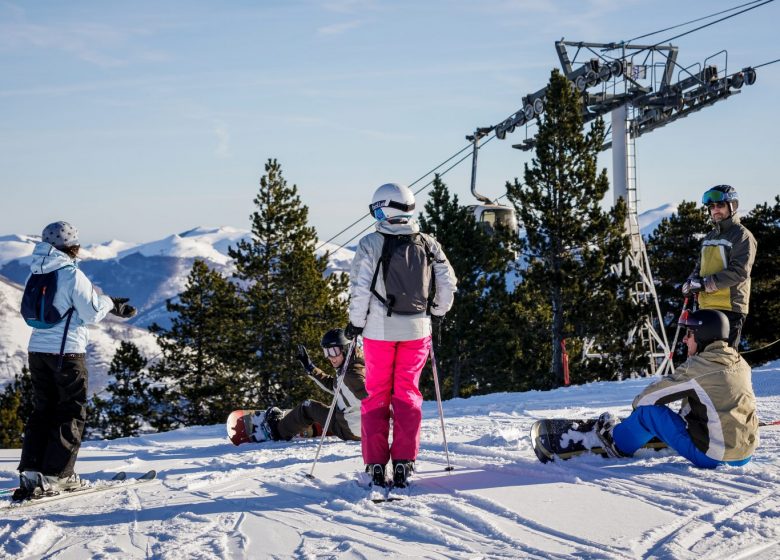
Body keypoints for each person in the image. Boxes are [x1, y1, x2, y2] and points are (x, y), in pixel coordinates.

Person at [14, 221, 136, 500]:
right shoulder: (70, 273)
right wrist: (109, 303)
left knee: (43, 410)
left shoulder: (36, 271)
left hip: (38, 351)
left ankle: (32, 473)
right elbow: (92, 313)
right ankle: (59, 476)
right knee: (71, 411)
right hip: (66, 353)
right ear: (73, 245)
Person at [345, 182, 457, 488]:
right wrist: (436, 311)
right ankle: (405, 461)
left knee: (376, 395)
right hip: (417, 329)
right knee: (407, 393)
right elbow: (448, 282)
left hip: (379, 331)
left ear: (385, 207)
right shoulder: (429, 243)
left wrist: (355, 323)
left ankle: (376, 463)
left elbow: (359, 289)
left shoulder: (371, 243)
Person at [595, 309, 758, 469]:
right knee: (698, 400)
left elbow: (647, 399)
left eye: (689, 334)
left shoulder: (698, 367)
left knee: (649, 413)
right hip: (745, 454)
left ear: (702, 335)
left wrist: (636, 411)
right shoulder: (740, 363)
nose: (684, 340)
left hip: (713, 457)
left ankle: (617, 442)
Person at [682, 185, 757, 348]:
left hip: (729, 308)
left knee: (723, 359)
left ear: (732, 206)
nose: (715, 210)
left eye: (720, 205)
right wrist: (691, 282)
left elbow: (739, 271)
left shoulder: (742, 236)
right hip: (706, 307)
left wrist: (704, 284)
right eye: (712, 207)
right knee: (704, 359)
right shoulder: (709, 237)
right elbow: (699, 267)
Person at [261, 328, 367, 442]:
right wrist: (310, 368)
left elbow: (371, 396)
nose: (330, 357)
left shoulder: (352, 375)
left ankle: (277, 431)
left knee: (308, 407)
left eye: (333, 351)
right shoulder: (356, 364)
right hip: (358, 426)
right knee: (335, 406)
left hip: (350, 430)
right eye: (327, 352)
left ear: (346, 349)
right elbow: (335, 385)